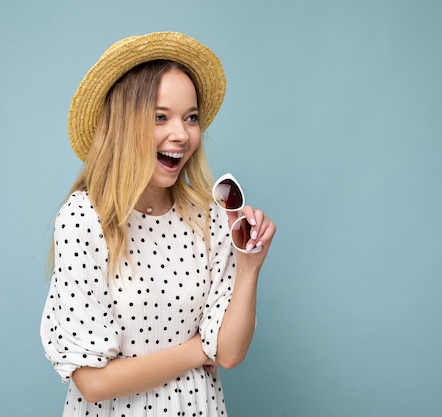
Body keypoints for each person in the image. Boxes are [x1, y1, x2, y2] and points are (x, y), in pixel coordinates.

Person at [40, 31, 276, 417]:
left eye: (191, 118)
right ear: (124, 125)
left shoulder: (210, 217)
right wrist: (198, 349)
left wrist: (248, 268)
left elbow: (230, 353)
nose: (181, 135)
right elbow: (93, 383)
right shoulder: (85, 218)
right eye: (160, 117)